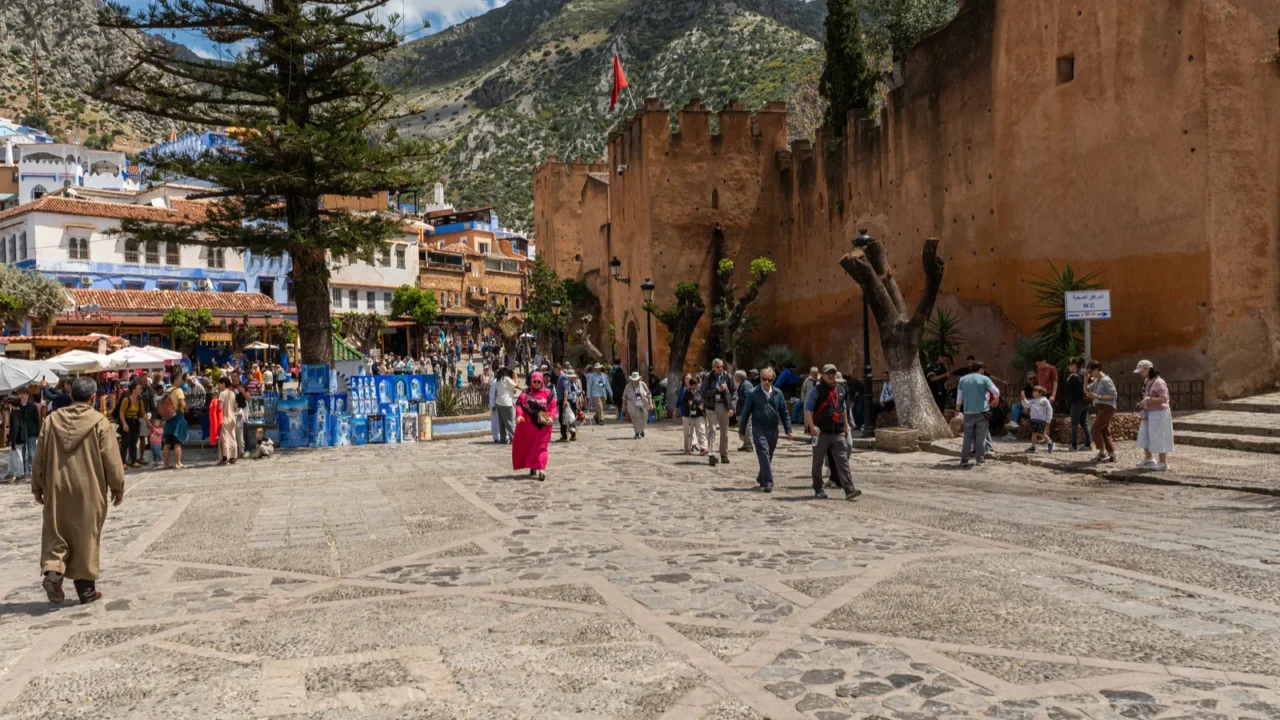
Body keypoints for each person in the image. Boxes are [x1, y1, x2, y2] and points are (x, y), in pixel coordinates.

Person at [32, 376, 126, 606]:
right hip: (89, 488)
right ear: (93, 397)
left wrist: (37, 485)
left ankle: (53, 574)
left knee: (56, 532)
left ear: (71, 395)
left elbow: (39, 457)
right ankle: (86, 591)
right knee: (86, 536)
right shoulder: (99, 422)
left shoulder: (51, 420)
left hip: (56, 486)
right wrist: (117, 487)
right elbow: (112, 459)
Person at [804, 365, 860, 500]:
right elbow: (808, 409)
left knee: (843, 461)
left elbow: (843, 409)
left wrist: (846, 426)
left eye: (833, 373)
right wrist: (811, 426)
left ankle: (849, 489)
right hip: (821, 432)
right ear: (822, 376)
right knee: (818, 462)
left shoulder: (841, 390)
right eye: (828, 373)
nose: (831, 376)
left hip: (837, 432)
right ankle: (819, 489)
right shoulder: (816, 391)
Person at [739, 367, 792, 493]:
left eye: (770, 380)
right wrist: (742, 430)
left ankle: (761, 477)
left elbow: (784, 412)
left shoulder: (778, 393)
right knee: (764, 453)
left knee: (769, 455)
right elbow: (746, 412)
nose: (767, 382)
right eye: (764, 379)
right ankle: (768, 481)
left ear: (773, 380)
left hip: (773, 429)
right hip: (758, 428)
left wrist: (788, 430)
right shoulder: (753, 393)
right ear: (761, 379)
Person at [513, 372, 556, 482]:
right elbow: (519, 405)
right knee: (531, 446)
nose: (536, 383)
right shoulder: (525, 394)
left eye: (539, 381)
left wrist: (551, 417)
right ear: (531, 382)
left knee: (542, 447)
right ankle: (533, 466)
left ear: (542, 382)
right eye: (534, 381)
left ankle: (542, 470)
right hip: (529, 426)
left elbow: (553, 407)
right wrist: (519, 416)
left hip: (544, 425)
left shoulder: (548, 393)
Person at [956, 361, 999, 467]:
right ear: (981, 369)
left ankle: (964, 460)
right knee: (981, 436)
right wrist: (996, 398)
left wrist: (957, 409)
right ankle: (980, 459)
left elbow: (959, 397)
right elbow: (996, 392)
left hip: (968, 412)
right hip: (982, 412)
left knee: (967, 436)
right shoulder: (985, 379)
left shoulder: (963, 379)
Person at [1134, 360, 1173, 471]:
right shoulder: (1147, 381)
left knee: (1159, 436)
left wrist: (1149, 399)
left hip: (1159, 412)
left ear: (1147, 369)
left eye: (1141, 371)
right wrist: (1143, 403)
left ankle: (1163, 462)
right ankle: (1149, 458)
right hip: (1148, 412)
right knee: (1144, 435)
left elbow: (1164, 399)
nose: (1140, 373)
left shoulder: (1159, 382)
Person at [700, 358, 736, 466]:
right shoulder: (708, 377)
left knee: (724, 432)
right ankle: (711, 454)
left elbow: (734, 392)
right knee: (712, 429)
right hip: (711, 406)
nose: (720, 369)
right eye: (718, 367)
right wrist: (717, 390)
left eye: (721, 367)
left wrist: (732, 407)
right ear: (713, 368)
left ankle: (724, 454)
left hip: (724, 405)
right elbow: (704, 392)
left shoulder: (727, 376)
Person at [1086, 360, 1118, 463]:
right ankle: (1112, 454)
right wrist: (1085, 379)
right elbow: (1086, 390)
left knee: (1095, 429)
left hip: (1107, 407)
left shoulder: (1105, 380)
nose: (1090, 373)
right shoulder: (1097, 381)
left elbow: (1114, 395)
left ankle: (1102, 453)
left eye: (1090, 371)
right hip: (1099, 407)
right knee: (1105, 431)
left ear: (1096, 369)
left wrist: (1098, 396)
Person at [160, 377, 189, 470]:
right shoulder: (178, 390)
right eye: (179, 380)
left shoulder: (166, 391)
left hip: (168, 418)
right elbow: (182, 404)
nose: (181, 381)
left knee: (167, 443)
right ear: (175, 381)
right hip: (177, 417)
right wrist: (186, 407)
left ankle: (166, 464)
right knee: (177, 442)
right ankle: (178, 463)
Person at [677, 374, 708, 455]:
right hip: (688, 415)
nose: (695, 387)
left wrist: (702, 406)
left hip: (699, 414)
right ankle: (688, 448)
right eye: (693, 385)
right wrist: (688, 404)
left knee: (701, 430)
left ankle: (703, 448)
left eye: (696, 385)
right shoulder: (686, 393)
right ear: (690, 385)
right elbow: (682, 403)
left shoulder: (700, 392)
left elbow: (703, 401)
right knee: (688, 433)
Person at [1065, 358, 1091, 452]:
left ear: (1073, 365)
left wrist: (1068, 379)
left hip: (1077, 402)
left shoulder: (1074, 376)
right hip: (1086, 401)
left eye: (1069, 365)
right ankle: (1088, 444)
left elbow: (1068, 388)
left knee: (1074, 423)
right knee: (1084, 422)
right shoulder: (1084, 372)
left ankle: (1074, 445)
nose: (1068, 367)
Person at [117, 382, 144, 469]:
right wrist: (124, 424)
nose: (140, 390)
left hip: (135, 422)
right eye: (139, 388)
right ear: (134, 390)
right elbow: (121, 412)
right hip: (127, 420)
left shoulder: (139, 400)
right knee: (125, 443)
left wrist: (149, 423)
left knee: (134, 442)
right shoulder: (126, 399)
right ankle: (123, 462)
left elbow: (143, 413)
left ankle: (134, 460)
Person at [1023, 385, 1055, 453]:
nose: (1033, 393)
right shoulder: (1032, 401)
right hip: (1034, 419)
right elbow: (1026, 404)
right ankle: (1033, 447)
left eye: (1035, 391)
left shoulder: (1044, 401)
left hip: (1041, 420)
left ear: (1040, 393)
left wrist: (1048, 419)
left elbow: (1049, 410)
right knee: (1034, 433)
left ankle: (1050, 442)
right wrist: (1023, 398)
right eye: (1033, 391)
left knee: (1040, 432)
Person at [622, 372, 653, 439]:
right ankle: (637, 433)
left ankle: (641, 430)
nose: (636, 381)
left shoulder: (643, 384)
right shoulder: (628, 387)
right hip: (632, 404)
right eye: (634, 380)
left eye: (637, 379)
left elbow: (649, 394)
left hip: (642, 403)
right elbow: (624, 397)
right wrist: (624, 405)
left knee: (644, 417)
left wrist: (650, 403)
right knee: (636, 418)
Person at [216, 377, 238, 465]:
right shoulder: (232, 393)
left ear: (223, 384)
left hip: (224, 418)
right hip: (232, 417)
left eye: (219, 384)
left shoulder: (222, 393)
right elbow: (235, 406)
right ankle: (233, 457)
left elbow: (219, 407)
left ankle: (225, 458)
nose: (218, 385)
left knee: (224, 438)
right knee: (232, 437)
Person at [19, 387, 41, 478]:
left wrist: (38, 432)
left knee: (31, 453)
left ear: (28, 395)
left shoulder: (32, 406)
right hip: (20, 433)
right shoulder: (17, 407)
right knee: (22, 453)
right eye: (21, 394)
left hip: (31, 432)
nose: (22, 396)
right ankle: (22, 470)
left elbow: (37, 420)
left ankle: (31, 470)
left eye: (24, 394)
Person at [6, 396, 28, 481]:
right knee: (12, 455)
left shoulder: (14, 414)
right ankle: (10, 472)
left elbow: (15, 428)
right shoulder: (20, 412)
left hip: (17, 438)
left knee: (17, 455)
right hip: (21, 436)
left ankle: (20, 473)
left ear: (11, 404)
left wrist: (13, 441)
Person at [495, 368, 518, 444]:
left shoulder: (498, 380)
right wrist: (515, 376)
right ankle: (513, 439)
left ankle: (503, 438)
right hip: (507, 403)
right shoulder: (506, 378)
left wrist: (511, 391)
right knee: (510, 422)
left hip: (499, 402)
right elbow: (516, 385)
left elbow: (505, 389)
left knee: (501, 422)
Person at [734, 370, 753, 451]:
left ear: (739, 377)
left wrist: (737, 398)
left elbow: (747, 397)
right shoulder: (743, 384)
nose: (735, 378)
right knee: (743, 427)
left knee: (747, 428)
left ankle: (749, 445)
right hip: (742, 410)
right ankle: (746, 444)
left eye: (736, 376)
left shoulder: (746, 385)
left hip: (745, 410)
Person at [488, 375, 501, 443]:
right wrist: (493, 405)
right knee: (495, 422)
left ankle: (500, 436)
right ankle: (496, 437)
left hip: (500, 404)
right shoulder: (495, 382)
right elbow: (492, 394)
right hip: (495, 405)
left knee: (499, 421)